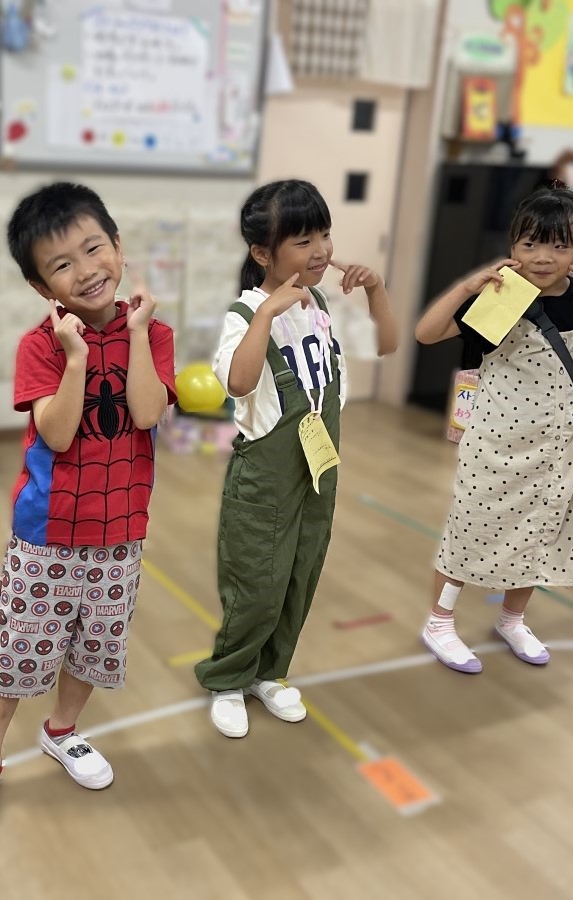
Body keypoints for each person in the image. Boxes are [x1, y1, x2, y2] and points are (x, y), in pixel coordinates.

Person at [0, 182, 176, 832]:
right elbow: (57, 433)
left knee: (94, 647)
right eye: (62, 264)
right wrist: (77, 355)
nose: (86, 270)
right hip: (47, 534)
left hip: (121, 529)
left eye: (93, 248)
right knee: (19, 651)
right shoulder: (40, 347)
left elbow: (148, 411)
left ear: (118, 246)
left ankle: (62, 729)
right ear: (41, 286)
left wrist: (132, 337)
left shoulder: (153, 334)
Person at [415, 186, 573, 674]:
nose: (541, 257)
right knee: (469, 531)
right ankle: (439, 621)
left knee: (540, 533)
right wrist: (470, 286)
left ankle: (513, 618)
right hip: (494, 446)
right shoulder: (502, 297)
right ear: (513, 244)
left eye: (558, 246)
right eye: (529, 244)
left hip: (561, 447)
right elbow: (427, 333)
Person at [194, 179, 399, 738]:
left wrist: (377, 289)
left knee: (299, 575)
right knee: (256, 580)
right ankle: (229, 678)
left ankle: (270, 673)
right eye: (304, 240)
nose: (322, 251)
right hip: (264, 476)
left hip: (319, 467)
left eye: (325, 235)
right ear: (263, 253)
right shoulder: (245, 312)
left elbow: (388, 343)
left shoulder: (323, 304)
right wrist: (267, 315)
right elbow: (238, 383)